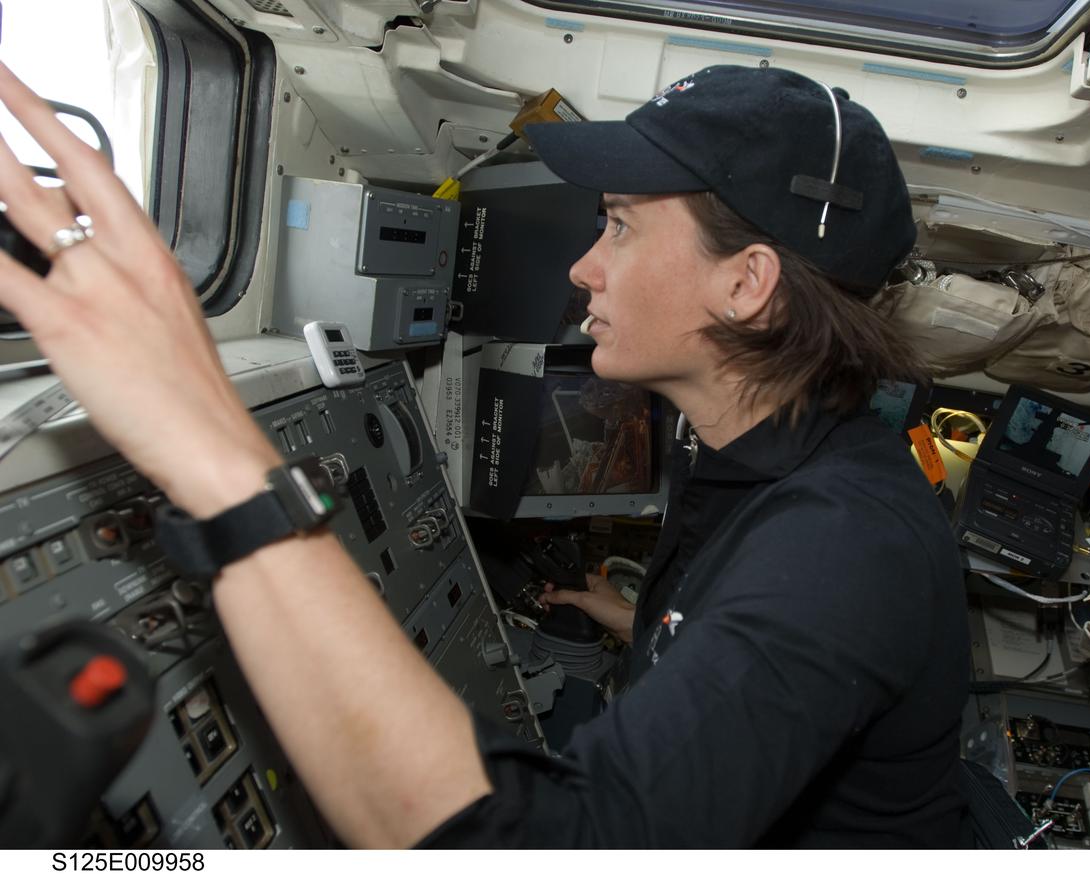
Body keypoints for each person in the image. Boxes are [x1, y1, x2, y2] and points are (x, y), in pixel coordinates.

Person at [0, 61, 968, 847]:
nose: (583, 264)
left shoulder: (846, 542)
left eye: (621, 224)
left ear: (745, 283)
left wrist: (210, 450)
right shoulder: (754, 452)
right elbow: (759, 647)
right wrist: (637, 621)